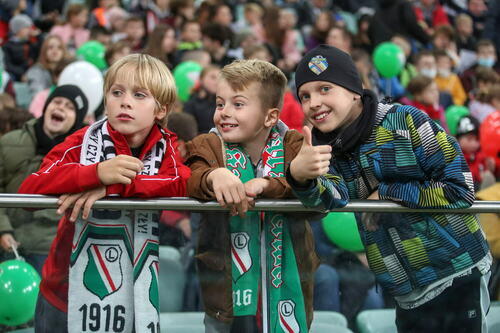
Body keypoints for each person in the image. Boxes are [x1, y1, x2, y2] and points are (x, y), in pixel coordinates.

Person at [290, 45, 491, 332]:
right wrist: (301, 177)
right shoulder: (324, 148)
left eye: (325, 89)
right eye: (305, 96)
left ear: (354, 89)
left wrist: (389, 193)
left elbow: (459, 189)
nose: (313, 102)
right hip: (404, 292)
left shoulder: (406, 121)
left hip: (456, 272)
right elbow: (329, 199)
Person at [18, 54, 190, 333]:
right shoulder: (80, 140)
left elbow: (181, 183)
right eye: (116, 92)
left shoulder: (167, 147)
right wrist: (94, 173)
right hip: (63, 292)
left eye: (139, 95)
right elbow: (29, 191)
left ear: (161, 109)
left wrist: (113, 186)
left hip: (135, 296)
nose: (125, 101)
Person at [185, 59, 319, 332]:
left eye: (238, 104)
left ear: (270, 117)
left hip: (289, 284)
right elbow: (191, 179)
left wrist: (273, 185)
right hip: (225, 297)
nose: (224, 113)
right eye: (220, 104)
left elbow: (318, 204)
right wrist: (214, 176)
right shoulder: (207, 145)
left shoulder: (294, 146)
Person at [0, 85, 88, 275]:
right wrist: (3, 230)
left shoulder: (83, 155)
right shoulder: (9, 141)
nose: (61, 107)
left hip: (50, 249)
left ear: (77, 120)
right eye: (56, 102)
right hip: (6, 241)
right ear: (46, 106)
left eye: (69, 107)